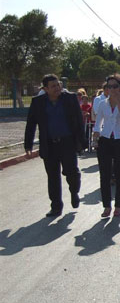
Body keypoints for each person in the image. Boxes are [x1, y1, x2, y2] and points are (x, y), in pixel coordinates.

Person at [24, 74, 86, 217]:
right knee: (53, 176)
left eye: (58, 85)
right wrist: (28, 144)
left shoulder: (70, 98)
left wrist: (81, 142)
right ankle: (56, 206)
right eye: (53, 86)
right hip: (49, 144)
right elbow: (31, 124)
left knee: (72, 173)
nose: (57, 88)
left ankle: (74, 191)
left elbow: (78, 120)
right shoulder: (38, 102)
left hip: (67, 143)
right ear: (45, 89)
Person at [93, 75, 120, 218]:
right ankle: (107, 206)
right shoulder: (103, 103)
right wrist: (96, 134)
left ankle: (118, 206)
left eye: (115, 86)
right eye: (109, 87)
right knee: (105, 175)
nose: (112, 89)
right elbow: (98, 121)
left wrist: (118, 103)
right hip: (105, 140)